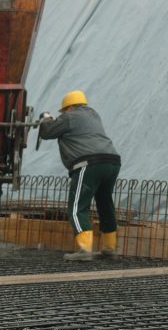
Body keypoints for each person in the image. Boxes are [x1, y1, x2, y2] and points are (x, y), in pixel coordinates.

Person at [38, 90, 122, 261]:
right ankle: (109, 248)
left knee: (77, 206)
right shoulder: (94, 115)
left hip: (89, 164)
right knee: (105, 204)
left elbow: (47, 132)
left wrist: (46, 118)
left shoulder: (70, 116)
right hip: (112, 162)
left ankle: (84, 250)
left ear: (69, 107)